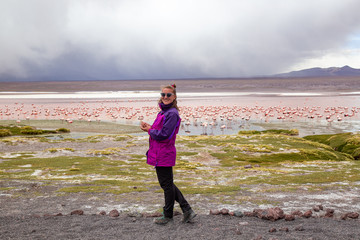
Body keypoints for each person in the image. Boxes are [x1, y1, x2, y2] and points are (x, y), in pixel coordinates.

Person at [140, 84, 196, 225]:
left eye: (168, 95)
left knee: (166, 184)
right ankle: (186, 210)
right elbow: (160, 130)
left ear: (174, 97)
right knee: (167, 184)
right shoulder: (163, 113)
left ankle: (169, 215)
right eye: (163, 94)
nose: (165, 97)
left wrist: (149, 131)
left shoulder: (171, 114)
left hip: (164, 152)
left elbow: (164, 135)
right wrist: (150, 128)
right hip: (159, 151)